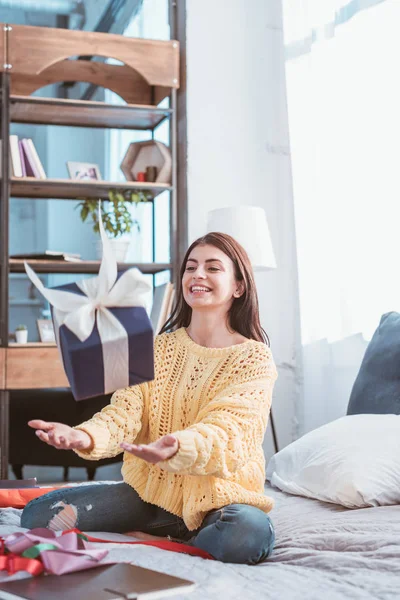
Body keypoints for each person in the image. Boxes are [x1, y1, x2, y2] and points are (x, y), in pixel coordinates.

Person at [22, 232, 278, 565]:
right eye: (191, 267)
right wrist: (82, 435)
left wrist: (176, 446)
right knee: (36, 516)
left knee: (247, 534)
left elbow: (231, 429)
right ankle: (177, 537)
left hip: (218, 502)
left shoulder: (254, 358)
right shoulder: (157, 348)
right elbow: (125, 412)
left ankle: (163, 540)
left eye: (213, 268)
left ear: (238, 286)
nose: (197, 275)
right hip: (150, 495)